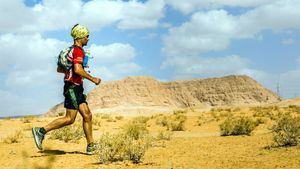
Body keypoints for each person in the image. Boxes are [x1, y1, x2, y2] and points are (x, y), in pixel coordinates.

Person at [32, 24, 101, 155]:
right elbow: (78, 69)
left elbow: (60, 69)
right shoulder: (78, 51)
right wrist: (93, 79)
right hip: (73, 88)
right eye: (87, 36)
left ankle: (91, 145)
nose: (88, 39)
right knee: (69, 119)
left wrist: (69, 73)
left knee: (87, 115)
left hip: (77, 88)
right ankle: (40, 131)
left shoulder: (71, 50)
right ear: (80, 36)